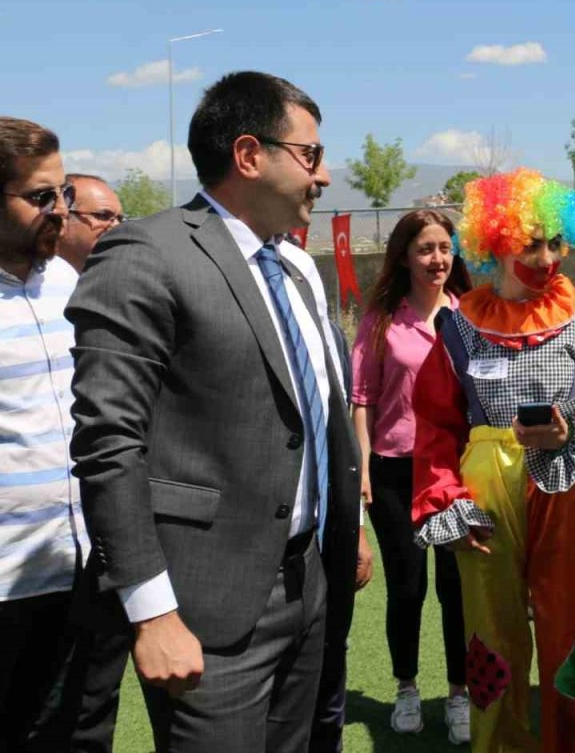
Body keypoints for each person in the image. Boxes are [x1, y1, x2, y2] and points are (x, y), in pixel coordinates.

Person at [66, 71, 362, 753]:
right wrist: (152, 611)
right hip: (204, 606)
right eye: (311, 154)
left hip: (308, 583)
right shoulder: (148, 251)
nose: (322, 176)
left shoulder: (295, 267)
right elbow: (110, 443)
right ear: (250, 154)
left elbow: (319, 418)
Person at [412, 168, 575, 753]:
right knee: (491, 638)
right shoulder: (458, 328)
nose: (546, 256)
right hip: (487, 497)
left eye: (555, 241)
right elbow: (434, 427)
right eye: (529, 242)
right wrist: (446, 501)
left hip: (570, 489)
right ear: (494, 244)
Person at [350, 208, 472, 742]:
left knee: (457, 589)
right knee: (407, 586)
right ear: (404, 256)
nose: (437, 259)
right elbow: (363, 400)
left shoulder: (469, 315)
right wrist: (362, 467)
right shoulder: (380, 321)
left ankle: (460, 694)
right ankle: (406, 688)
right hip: (395, 470)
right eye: (425, 248)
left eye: (445, 247)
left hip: (455, 471)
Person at [0, 117, 84, 750]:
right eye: (40, 197)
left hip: (80, 564)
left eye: (64, 196)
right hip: (8, 580)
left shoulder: (67, 285)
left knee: (70, 733)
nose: (59, 211)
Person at [310, 312, 376, 753]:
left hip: (330, 534)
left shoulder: (324, 325)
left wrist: (355, 527)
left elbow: (341, 435)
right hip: (254, 552)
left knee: (330, 673)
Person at [58, 174, 124, 273]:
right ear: (62, 218)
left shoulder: (119, 280)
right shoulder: (35, 283)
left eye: (120, 219)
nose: (117, 226)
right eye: (103, 215)